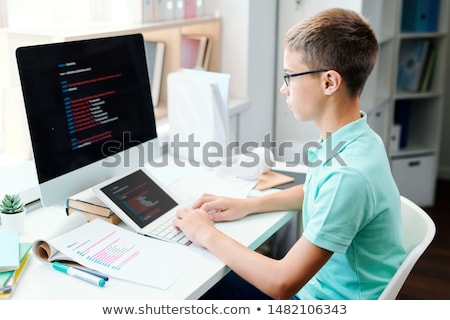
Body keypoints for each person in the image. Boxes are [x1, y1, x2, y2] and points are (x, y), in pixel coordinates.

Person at [173, 7, 406, 300]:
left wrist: (205, 233)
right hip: (322, 288)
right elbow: (315, 191)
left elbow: (282, 284)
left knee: (196, 290)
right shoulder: (355, 137)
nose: (284, 90)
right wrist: (247, 204)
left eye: (290, 76)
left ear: (329, 82)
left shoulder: (349, 175)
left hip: (322, 301)